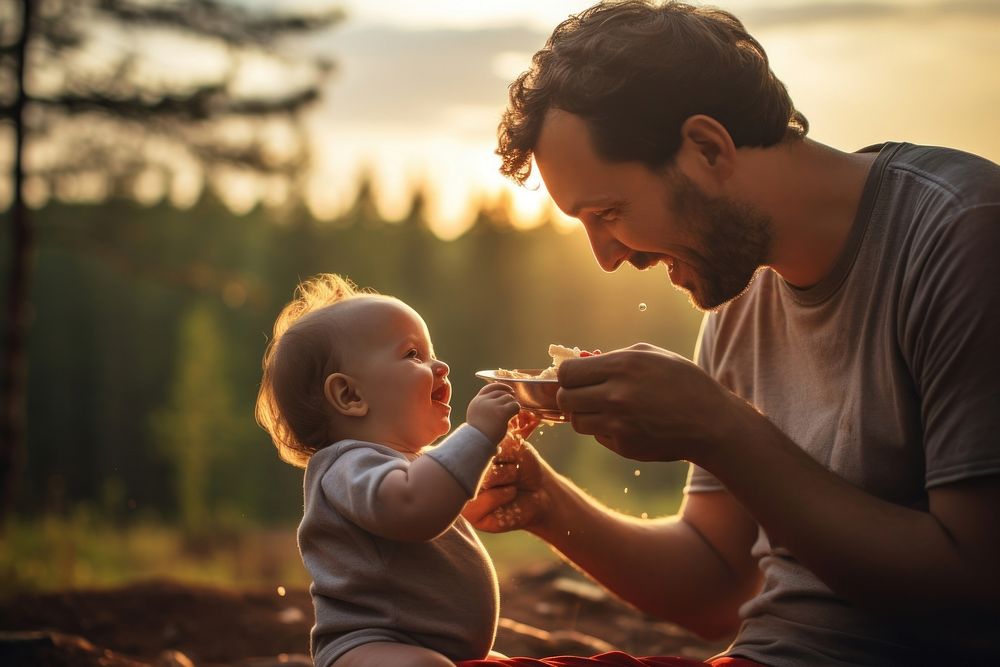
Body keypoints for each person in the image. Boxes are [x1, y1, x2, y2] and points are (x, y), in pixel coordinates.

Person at [458, 1, 1000, 666]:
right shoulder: (738, 294)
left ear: (708, 147)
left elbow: (975, 586)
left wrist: (722, 427)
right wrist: (545, 502)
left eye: (609, 212)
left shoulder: (961, 236)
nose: (606, 256)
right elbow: (716, 581)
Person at [255, 273, 533, 667]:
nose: (441, 366)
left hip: (430, 645)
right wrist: (477, 434)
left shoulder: (407, 464)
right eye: (413, 355)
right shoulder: (345, 465)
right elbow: (413, 506)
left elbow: (441, 490)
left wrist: (496, 443)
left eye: (431, 352)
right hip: (366, 647)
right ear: (350, 395)